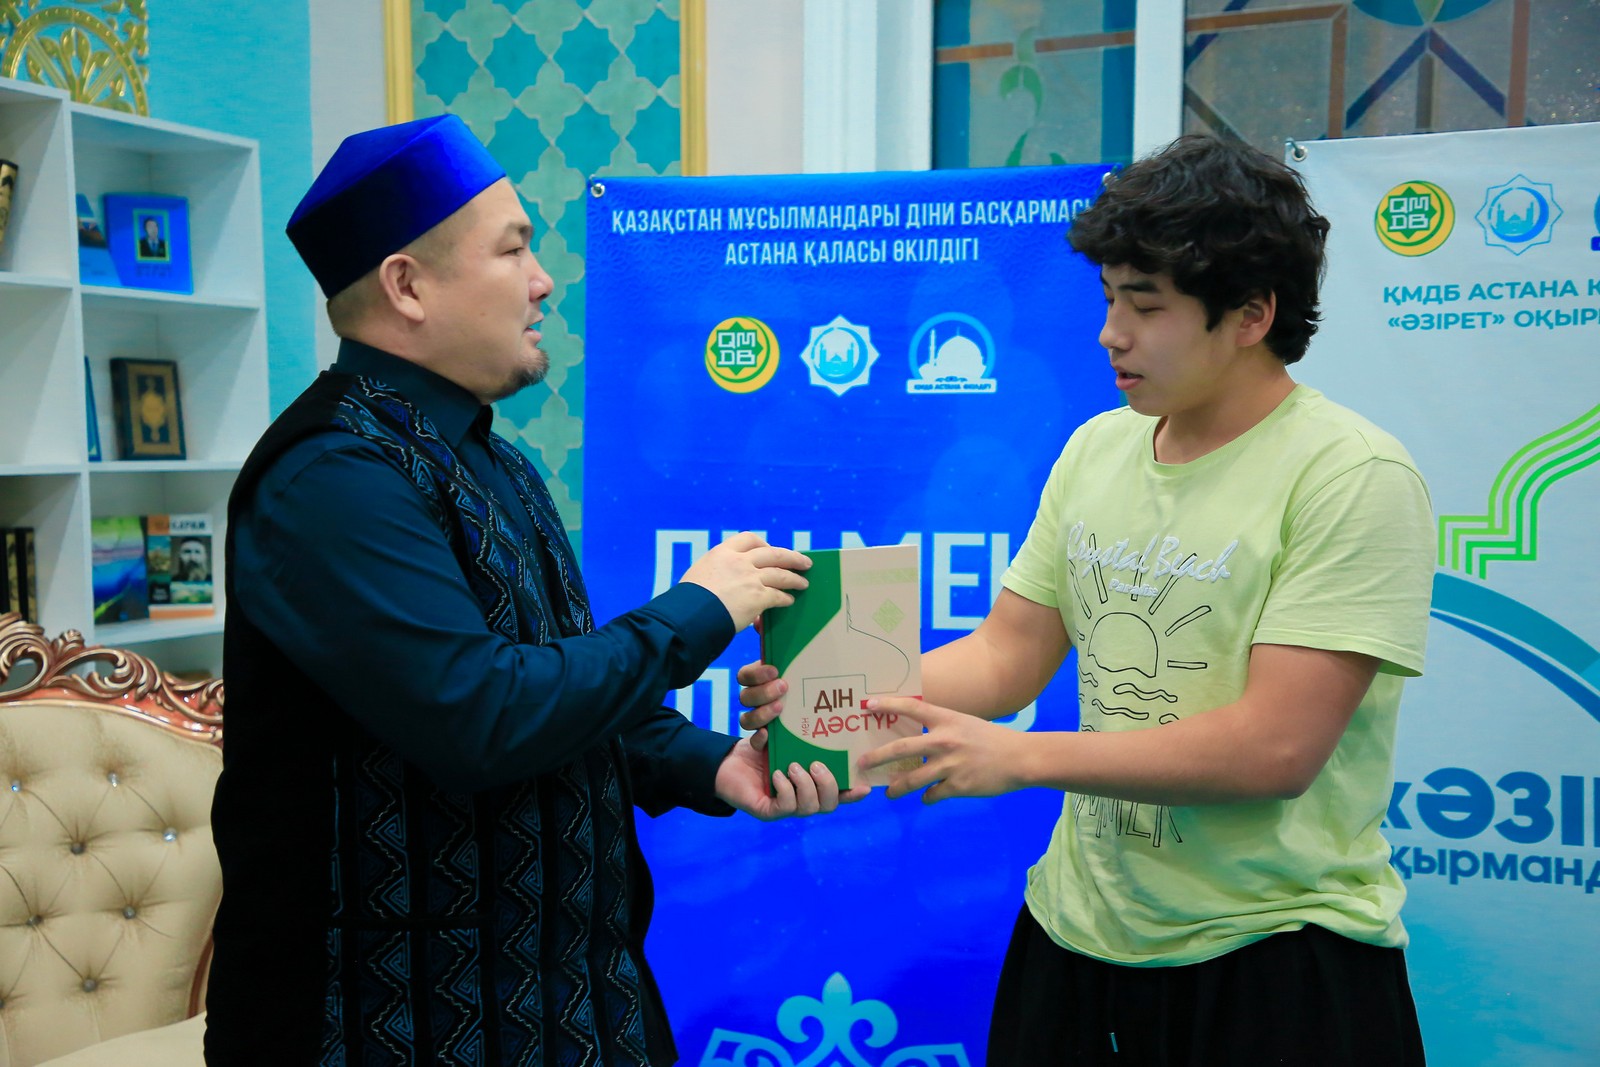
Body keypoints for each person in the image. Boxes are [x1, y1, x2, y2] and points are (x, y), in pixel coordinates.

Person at [741, 134, 1435, 1065]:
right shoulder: (1097, 448)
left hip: (1274, 951)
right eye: (1109, 299)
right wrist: (835, 704)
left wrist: (1022, 756)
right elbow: (1007, 654)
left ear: (1252, 314)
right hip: (1074, 934)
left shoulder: (1352, 475)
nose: (1112, 333)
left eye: (1145, 306)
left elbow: (1276, 747)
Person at [206, 114, 862, 1067]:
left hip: (573, 1010)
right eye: (513, 248)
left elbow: (562, 691)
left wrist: (713, 763)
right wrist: (699, 609)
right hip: (391, 1026)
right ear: (407, 285)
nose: (544, 279)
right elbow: (482, 714)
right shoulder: (331, 477)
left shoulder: (496, 463)